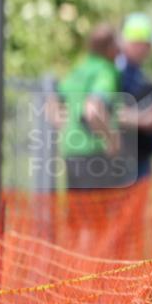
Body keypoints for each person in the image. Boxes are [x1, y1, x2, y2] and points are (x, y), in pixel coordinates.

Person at [58, 23, 125, 189]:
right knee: (99, 212)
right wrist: (111, 141)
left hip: (71, 152)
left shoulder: (79, 69)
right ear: (109, 47)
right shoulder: (105, 71)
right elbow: (92, 110)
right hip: (94, 155)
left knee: (77, 211)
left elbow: (54, 102)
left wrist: (65, 129)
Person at [116, 12, 152, 181]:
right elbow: (113, 111)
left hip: (140, 161)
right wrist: (143, 120)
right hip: (125, 164)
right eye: (147, 44)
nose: (150, 49)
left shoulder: (137, 73)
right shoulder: (119, 73)